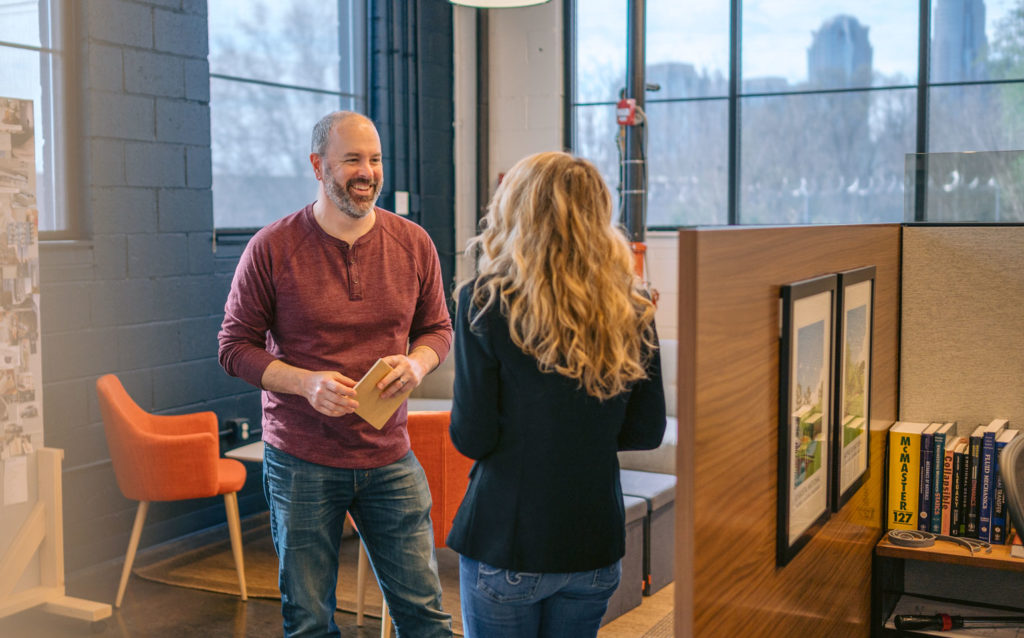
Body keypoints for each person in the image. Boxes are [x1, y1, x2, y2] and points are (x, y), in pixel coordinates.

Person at [218, 111, 454, 638]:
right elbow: (234, 348)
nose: (366, 171)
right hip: (301, 461)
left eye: (374, 159)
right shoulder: (272, 247)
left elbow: (439, 329)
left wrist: (417, 363)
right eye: (351, 160)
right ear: (317, 166)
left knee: (425, 616)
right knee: (308, 621)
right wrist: (305, 382)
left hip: (390, 457)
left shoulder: (414, 243)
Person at [446, 151, 667, 637]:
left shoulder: (484, 300)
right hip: (593, 541)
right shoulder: (632, 305)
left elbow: (473, 436)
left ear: (515, 211)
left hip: (508, 538)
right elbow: (648, 431)